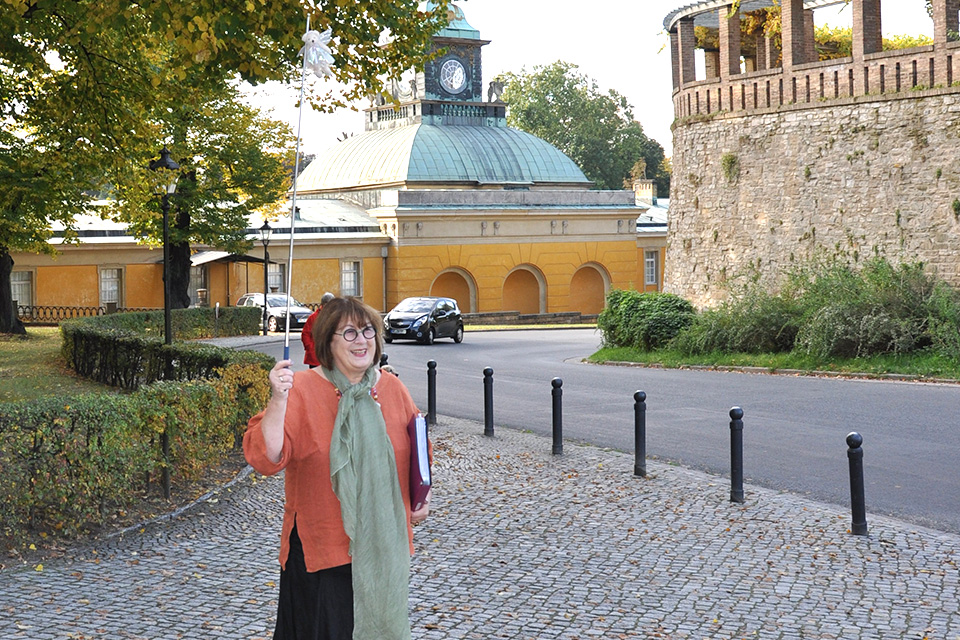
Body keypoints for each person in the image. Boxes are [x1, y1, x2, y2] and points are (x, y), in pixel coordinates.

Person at [244, 296, 430, 640]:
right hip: (322, 556)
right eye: (349, 333)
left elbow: (418, 450)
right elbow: (266, 457)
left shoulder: (391, 388)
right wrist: (278, 399)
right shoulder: (302, 390)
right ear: (328, 341)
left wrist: (421, 497)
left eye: (368, 331)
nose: (362, 341)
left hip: (382, 551)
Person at [301, 292, 335, 368]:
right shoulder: (313, 318)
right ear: (324, 304)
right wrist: (310, 348)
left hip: (331, 355)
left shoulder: (335, 317)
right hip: (316, 356)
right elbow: (305, 334)